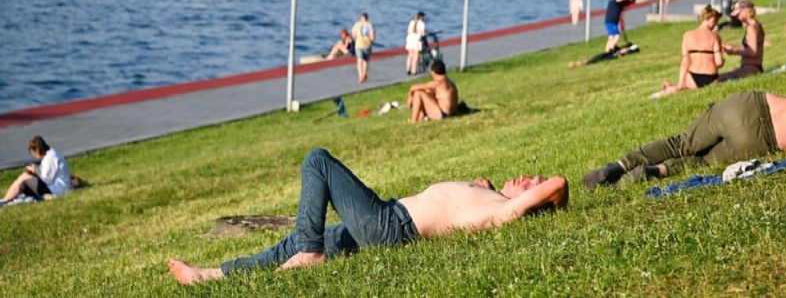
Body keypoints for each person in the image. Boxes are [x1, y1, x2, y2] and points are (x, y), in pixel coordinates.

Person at [168, 149, 569, 284]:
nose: (528, 177)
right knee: (299, 237)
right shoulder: (490, 197)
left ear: (533, 202)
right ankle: (210, 275)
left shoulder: (503, 212)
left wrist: (536, 196)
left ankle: (310, 254)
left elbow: (559, 183)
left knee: (317, 162)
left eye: (531, 182)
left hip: (390, 226)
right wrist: (482, 184)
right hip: (384, 221)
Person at [583, 75, 786, 189]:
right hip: (764, 140)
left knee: (681, 142)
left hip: (748, 105)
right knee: (704, 163)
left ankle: (619, 165)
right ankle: (655, 171)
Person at [658, 6, 724, 95]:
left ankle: (673, 88)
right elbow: (719, 62)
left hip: (693, 78)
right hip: (711, 78)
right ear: (712, 19)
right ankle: (674, 87)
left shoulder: (687, 35)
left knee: (685, 87)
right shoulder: (715, 37)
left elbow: (685, 62)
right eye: (716, 21)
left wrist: (680, 84)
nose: (715, 25)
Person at [2, 136, 72, 204]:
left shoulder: (50, 158)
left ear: (38, 150)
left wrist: (36, 170)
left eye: (33, 154)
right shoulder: (50, 155)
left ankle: (5, 200)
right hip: (57, 188)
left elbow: (47, 179)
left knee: (24, 177)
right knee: (25, 177)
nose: (34, 156)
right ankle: (8, 198)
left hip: (57, 191)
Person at [718, 0, 764, 81]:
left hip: (751, 68)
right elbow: (751, 48)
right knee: (721, 75)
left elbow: (752, 52)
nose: (737, 16)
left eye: (738, 13)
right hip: (752, 67)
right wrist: (733, 47)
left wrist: (734, 51)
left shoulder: (751, 28)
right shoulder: (756, 25)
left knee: (718, 78)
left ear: (745, 10)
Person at [351, 13, 376, 83]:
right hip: (367, 45)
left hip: (359, 45)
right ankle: (364, 74)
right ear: (367, 18)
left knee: (359, 61)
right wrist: (370, 40)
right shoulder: (370, 25)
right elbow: (373, 37)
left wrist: (356, 38)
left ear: (361, 18)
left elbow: (353, 35)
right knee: (365, 60)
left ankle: (360, 75)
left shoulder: (357, 25)